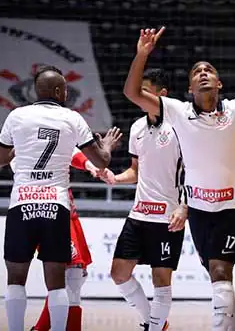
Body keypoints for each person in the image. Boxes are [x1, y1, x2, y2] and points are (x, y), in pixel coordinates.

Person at [123, 19, 235, 330]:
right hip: (199, 212)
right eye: (196, 72)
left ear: (219, 84)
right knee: (218, 279)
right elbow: (132, 92)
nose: (203, 73)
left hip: (230, 208)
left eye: (209, 71)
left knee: (220, 272)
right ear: (190, 89)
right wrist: (142, 54)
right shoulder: (176, 111)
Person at [0, 65, 122, 331]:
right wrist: (106, 147)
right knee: (58, 282)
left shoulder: (17, 116)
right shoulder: (72, 118)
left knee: (15, 279)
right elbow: (101, 159)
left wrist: (18, 148)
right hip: (56, 206)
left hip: (22, 204)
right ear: (60, 91)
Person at [99, 68, 187, 331]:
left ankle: (155, 327)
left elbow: (195, 172)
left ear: (162, 95)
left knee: (161, 279)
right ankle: (155, 323)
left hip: (167, 216)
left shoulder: (181, 126)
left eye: (145, 91)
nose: (139, 97)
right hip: (138, 215)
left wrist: (184, 207)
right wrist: (115, 178)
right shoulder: (137, 126)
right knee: (119, 273)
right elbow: (136, 172)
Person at [20, 148, 99, 331]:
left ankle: (40, 329)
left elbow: (72, 151)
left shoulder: (57, 133)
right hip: (45, 211)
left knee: (74, 276)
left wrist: (90, 165)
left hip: (65, 213)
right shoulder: (24, 145)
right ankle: (41, 329)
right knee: (70, 277)